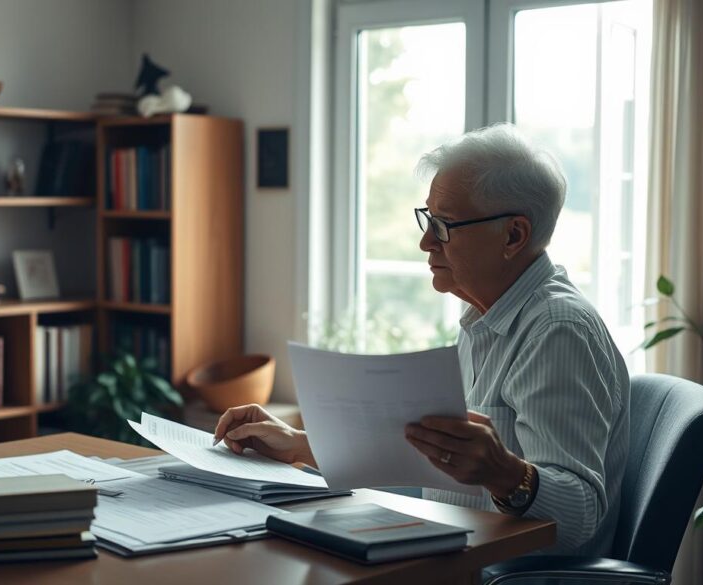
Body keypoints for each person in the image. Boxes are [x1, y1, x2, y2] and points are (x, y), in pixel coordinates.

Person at [214, 124, 630, 556]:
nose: (425, 241)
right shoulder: (484, 318)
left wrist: (504, 472)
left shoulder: (557, 330)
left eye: (445, 225)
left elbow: (580, 517)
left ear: (513, 236)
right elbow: (434, 458)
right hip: (451, 558)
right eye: (428, 219)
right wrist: (300, 444)